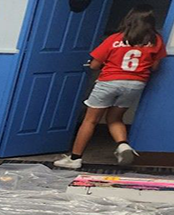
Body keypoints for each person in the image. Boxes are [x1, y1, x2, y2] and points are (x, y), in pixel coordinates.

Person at [53, 6, 165, 170]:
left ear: (129, 19)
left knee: (90, 120)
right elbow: (155, 67)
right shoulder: (156, 40)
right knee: (115, 118)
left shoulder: (115, 38)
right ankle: (123, 145)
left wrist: (100, 64)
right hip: (136, 84)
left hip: (109, 81)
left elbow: (95, 64)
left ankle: (75, 158)